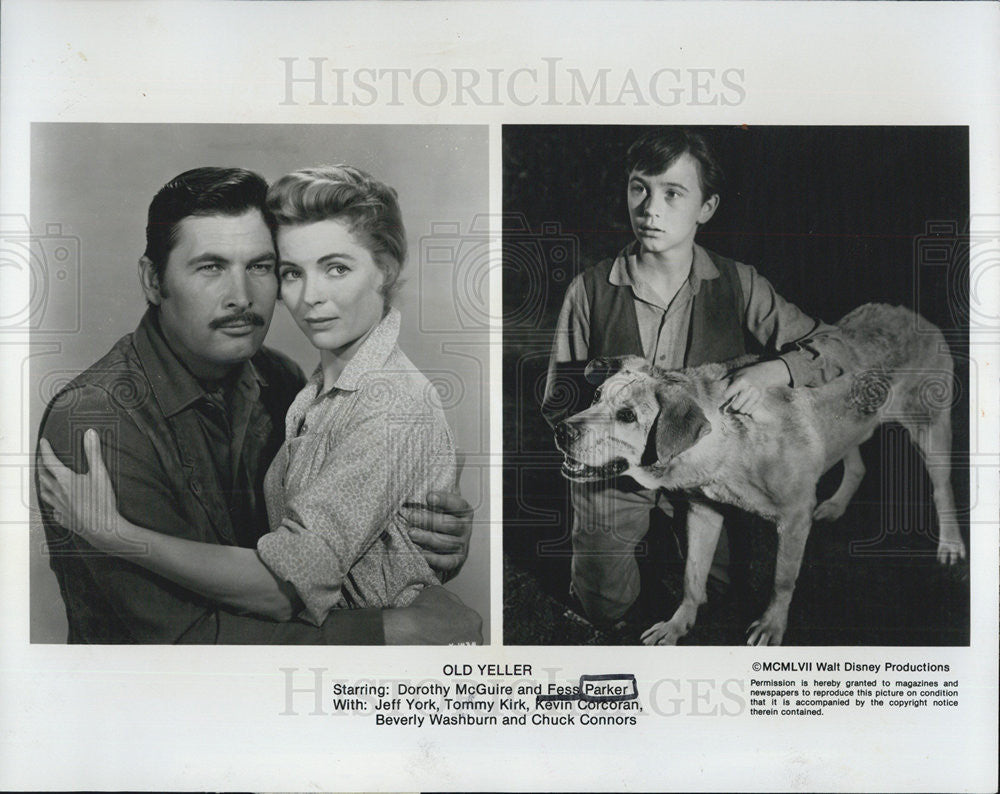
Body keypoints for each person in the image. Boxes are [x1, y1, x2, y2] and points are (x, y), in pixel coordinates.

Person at [36, 166, 479, 645]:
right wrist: (389, 629)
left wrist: (412, 537)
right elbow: (190, 638)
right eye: (211, 267)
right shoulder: (96, 420)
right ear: (152, 279)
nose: (242, 297)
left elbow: (320, 548)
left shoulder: (280, 379)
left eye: (261, 267)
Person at [542, 128, 848, 631]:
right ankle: (617, 549)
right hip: (619, 464)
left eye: (673, 193)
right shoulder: (590, 290)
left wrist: (777, 367)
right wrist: (617, 458)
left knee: (719, 593)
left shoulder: (739, 282)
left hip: (707, 468)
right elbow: (562, 399)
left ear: (706, 208)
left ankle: (678, 539)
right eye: (639, 188)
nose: (650, 208)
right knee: (603, 607)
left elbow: (836, 347)